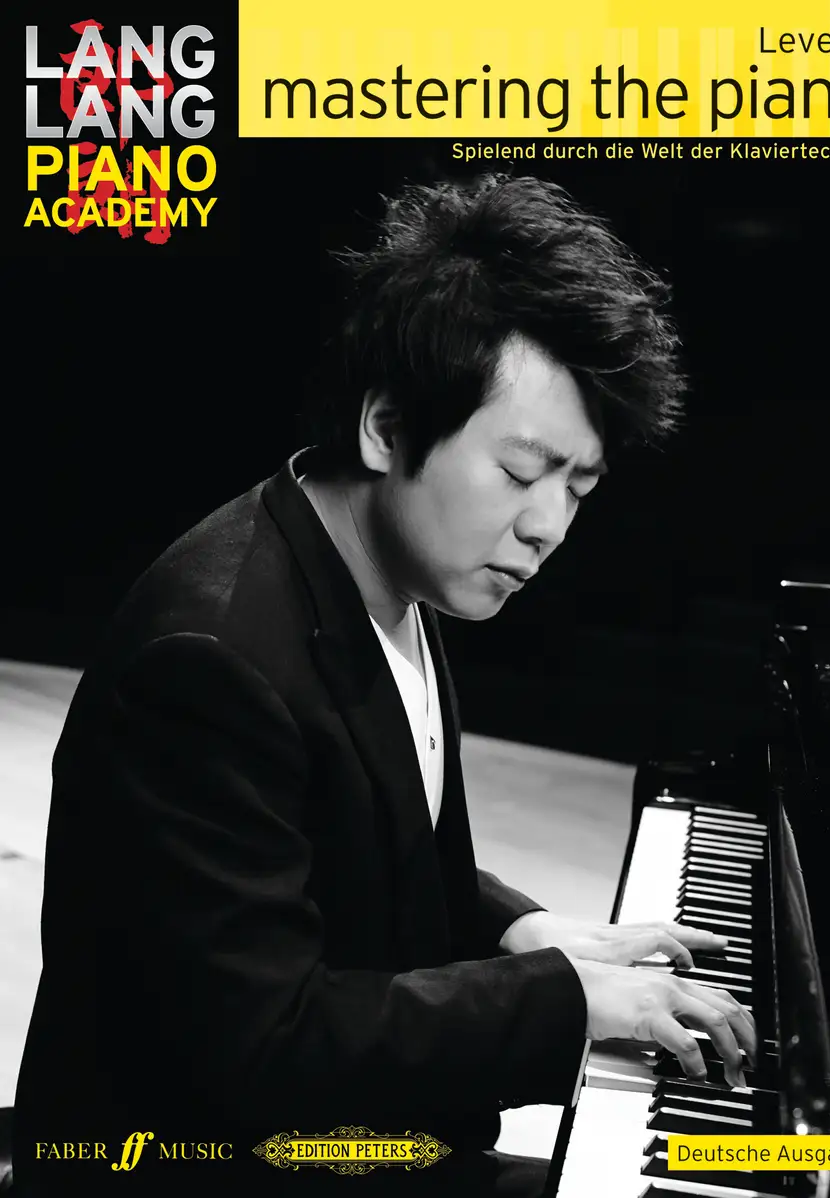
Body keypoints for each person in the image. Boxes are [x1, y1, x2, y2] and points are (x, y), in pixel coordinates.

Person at [13, 173, 754, 1197]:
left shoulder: (384, 568)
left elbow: (362, 849)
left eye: (577, 488)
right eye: (521, 473)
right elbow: (264, 1047)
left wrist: (516, 931)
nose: (547, 526)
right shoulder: (210, 661)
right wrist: (566, 1000)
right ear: (387, 427)